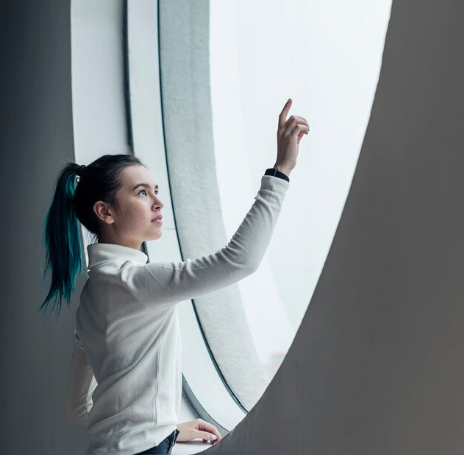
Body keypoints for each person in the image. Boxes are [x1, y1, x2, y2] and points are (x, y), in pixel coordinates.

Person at [39, 99, 310, 455]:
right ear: (105, 212)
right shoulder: (134, 283)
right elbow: (239, 261)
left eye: (156, 191)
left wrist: (157, 429)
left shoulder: (93, 294)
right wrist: (281, 171)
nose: (158, 202)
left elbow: (78, 410)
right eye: (141, 193)